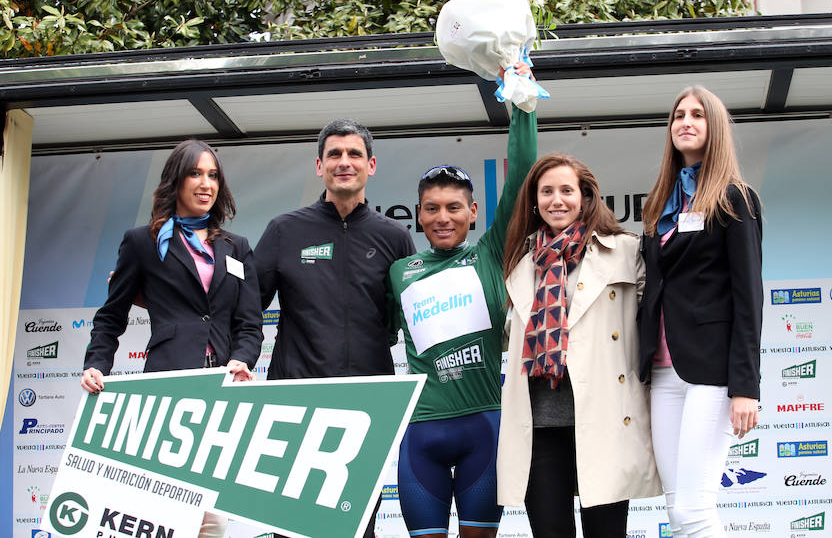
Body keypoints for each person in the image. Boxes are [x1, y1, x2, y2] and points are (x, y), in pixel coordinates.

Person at [82, 139, 263, 538]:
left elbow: (250, 323)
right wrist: (96, 364)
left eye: (213, 175)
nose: (206, 184)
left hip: (226, 390)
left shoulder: (237, 247)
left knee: (213, 513)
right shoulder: (142, 242)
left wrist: (242, 359)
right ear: (175, 181)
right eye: (195, 173)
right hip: (168, 386)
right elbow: (111, 316)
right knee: (168, 509)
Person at [387, 62, 537, 538]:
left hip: (484, 430)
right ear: (419, 216)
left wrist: (521, 103)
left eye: (454, 207)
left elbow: (522, 178)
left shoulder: (491, 254)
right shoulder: (399, 271)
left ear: (473, 212)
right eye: (432, 208)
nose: (443, 217)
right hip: (420, 434)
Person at [253, 118, 415, 538]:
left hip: (368, 409)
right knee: (291, 527)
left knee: (359, 526)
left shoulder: (395, 236)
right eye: (335, 155)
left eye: (354, 154)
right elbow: (243, 306)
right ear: (319, 166)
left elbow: (414, 318)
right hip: (294, 405)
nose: (345, 162)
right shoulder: (284, 230)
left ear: (371, 165)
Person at [497, 154, 661, 538]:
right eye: (547, 191)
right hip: (539, 424)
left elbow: (654, 318)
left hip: (603, 419)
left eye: (566, 190)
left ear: (585, 196)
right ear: (534, 201)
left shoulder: (624, 250)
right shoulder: (521, 260)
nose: (557, 200)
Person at [638, 86, 762, 538]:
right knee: (677, 511)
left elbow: (749, 297)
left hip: (711, 372)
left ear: (715, 127)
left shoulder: (735, 198)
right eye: (678, 116)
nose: (685, 122)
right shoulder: (660, 205)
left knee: (694, 511)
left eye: (697, 115)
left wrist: (746, 387)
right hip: (663, 372)